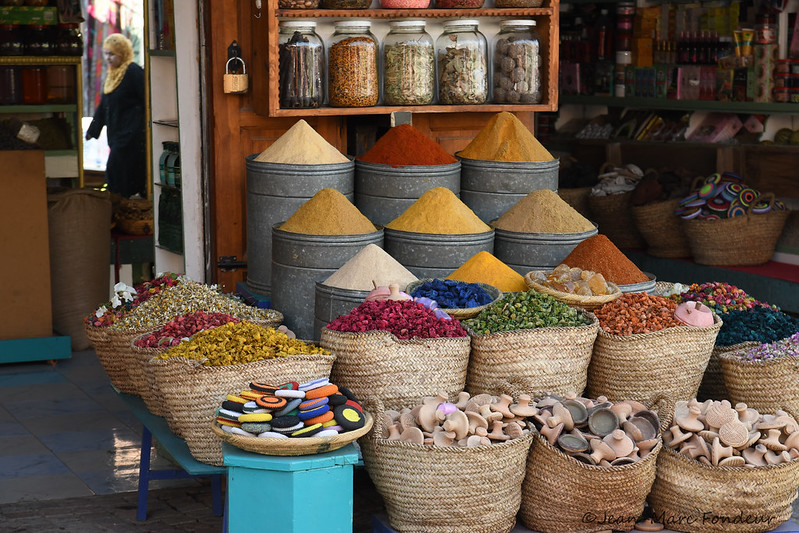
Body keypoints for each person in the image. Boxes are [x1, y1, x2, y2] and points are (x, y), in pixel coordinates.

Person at [86, 33, 147, 199]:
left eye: (112, 54)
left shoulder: (132, 71)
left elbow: (147, 98)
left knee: (117, 169)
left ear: (122, 54)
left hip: (132, 135)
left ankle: (119, 203)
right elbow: (104, 106)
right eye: (105, 53)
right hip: (118, 134)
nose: (108, 58)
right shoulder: (113, 75)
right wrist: (93, 130)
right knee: (120, 170)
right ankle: (120, 206)